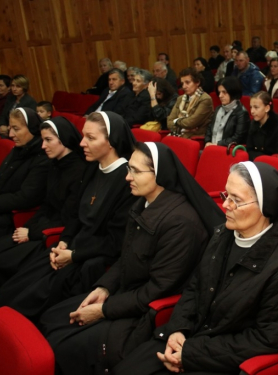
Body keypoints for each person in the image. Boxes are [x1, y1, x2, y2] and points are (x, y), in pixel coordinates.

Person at [112, 160, 278, 375]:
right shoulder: (222, 235)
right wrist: (179, 328)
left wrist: (191, 353)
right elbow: (195, 287)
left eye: (236, 200)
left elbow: (266, 339)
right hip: (189, 339)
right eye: (227, 195)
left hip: (225, 361)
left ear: (266, 206)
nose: (225, 205)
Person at [40, 142, 225, 374]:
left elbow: (157, 290)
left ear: (159, 174)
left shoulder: (181, 223)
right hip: (123, 296)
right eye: (129, 169)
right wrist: (104, 288)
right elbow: (125, 256)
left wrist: (104, 310)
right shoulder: (143, 202)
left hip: (142, 317)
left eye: (135, 171)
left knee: (62, 346)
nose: (127, 177)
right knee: (51, 319)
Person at [0, 111, 137, 320]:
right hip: (71, 248)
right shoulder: (93, 168)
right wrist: (64, 241)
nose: (82, 143)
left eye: (90, 138)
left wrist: (72, 255)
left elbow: (115, 242)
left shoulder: (127, 180)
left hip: (90, 261)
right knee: (14, 288)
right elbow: (75, 216)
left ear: (112, 141)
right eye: (83, 136)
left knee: (28, 302)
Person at [0, 116, 85, 284]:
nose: (43, 145)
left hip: (51, 236)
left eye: (48, 140)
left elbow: (69, 217)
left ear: (63, 139)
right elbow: (47, 205)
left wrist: (32, 233)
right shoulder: (55, 164)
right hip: (40, 227)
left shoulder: (79, 171)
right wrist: (27, 227)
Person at [0, 108, 50, 236]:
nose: (10, 134)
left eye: (16, 129)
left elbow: (26, 198)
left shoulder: (43, 157)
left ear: (32, 129)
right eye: (10, 128)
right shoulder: (19, 148)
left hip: (12, 218)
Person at [167, 67, 213, 138]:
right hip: (180, 135)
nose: (184, 86)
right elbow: (169, 122)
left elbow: (191, 123)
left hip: (195, 138)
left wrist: (176, 121)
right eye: (182, 83)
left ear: (197, 82)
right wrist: (183, 128)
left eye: (187, 82)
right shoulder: (180, 98)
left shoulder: (205, 99)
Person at [204, 76, 250, 147]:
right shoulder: (218, 109)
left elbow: (237, 138)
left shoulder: (242, 113)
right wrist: (207, 142)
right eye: (219, 92)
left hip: (227, 151)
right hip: (211, 148)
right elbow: (209, 128)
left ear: (233, 92)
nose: (220, 95)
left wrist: (217, 144)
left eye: (224, 92)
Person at [246, 91, 278, 161]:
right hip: (254, 161)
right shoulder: (253, 123)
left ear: (267, 108)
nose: (252, 111)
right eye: (251, 107)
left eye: (256, 107)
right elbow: (249, 148)